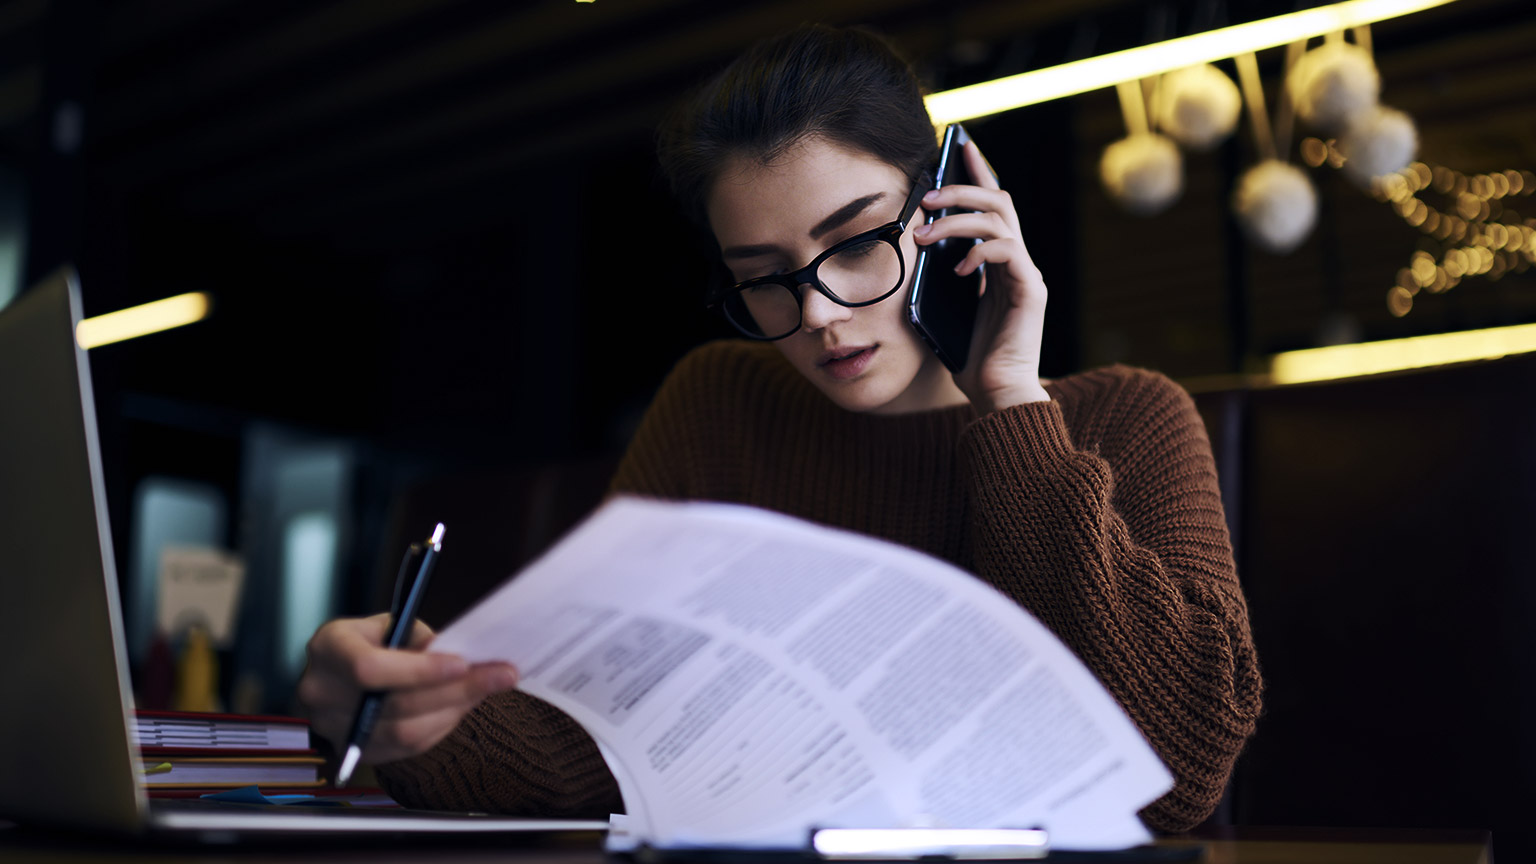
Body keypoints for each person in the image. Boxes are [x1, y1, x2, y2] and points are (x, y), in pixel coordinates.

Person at [299, 24, 1262, 833]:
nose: (818, 315)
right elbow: (600, 740)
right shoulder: (720, 400)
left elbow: (1177, 775)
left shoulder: (1127, 418)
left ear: (949, 210)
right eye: (763, 276)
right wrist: (420, 719)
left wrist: (1010, 399)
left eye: (853, 243)